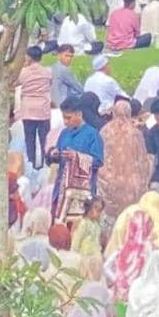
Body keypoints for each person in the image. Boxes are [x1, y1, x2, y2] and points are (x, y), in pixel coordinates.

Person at [47, 97, 104, 226]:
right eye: (64, 118)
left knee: (78, 228)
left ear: (79, 114)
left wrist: (77, 157)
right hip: (62, 187)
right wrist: (54, 154)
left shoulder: (93, 134)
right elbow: (56, 155)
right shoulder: (64, 133)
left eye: (68, 118)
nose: (65, 122)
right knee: (57, 225)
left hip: (82, 190)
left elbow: (98, 161)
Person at [98, 99, 153, 224]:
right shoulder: (135, 133)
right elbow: (143, 161)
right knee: (130, 219)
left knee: (111, 221)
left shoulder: (104, 131)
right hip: (132, 186)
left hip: (109, 182)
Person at [17, 45, 52, 168]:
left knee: (29, 139)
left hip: (28, 110)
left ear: (29, 57)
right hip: (43, 110)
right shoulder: (47, 72)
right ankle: (46, 164)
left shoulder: (23, 72)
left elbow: (15, 83)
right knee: (45, 140)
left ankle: (31, 164)